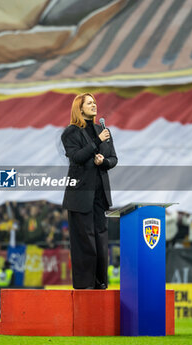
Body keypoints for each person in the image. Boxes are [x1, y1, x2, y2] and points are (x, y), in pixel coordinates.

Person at [61, 92, 117, 289]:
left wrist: (104, 161)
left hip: (100, 193)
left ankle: (100, 281)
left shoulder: (103, 129)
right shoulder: (71, 132)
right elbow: (76, 157)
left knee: (101, 238)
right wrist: (96, 142)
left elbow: (114, 159)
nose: (94, 105)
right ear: (80, 108)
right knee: (85, 240)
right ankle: (85, 284)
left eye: (95, 102)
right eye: (89, 103)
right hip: (80, 195)